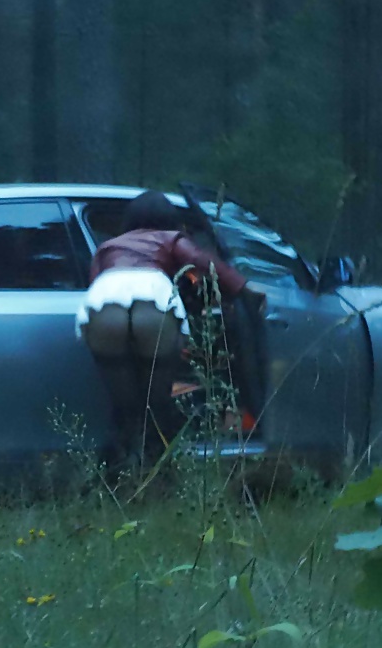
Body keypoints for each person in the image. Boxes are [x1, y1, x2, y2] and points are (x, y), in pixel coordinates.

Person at [76, 190, 261, 472]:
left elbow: (95, 283)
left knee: (124, 406)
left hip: (106, 300)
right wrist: (244, 289)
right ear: (169, 218)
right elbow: (203, 263)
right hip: (153, 299)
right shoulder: (171, 238)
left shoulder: (108, 246)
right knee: (157, 403)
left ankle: (111, 479)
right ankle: (158, 476)